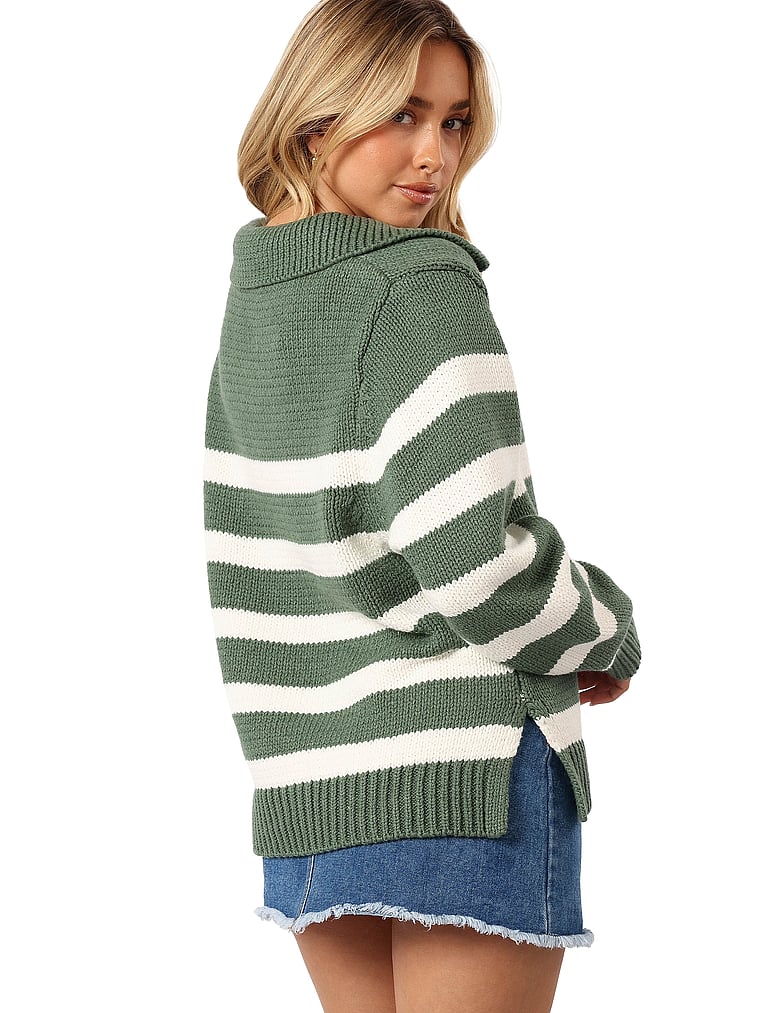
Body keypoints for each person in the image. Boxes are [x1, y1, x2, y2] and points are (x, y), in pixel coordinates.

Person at [203, 1, 641, 1010]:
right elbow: (481, 566)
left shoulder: (258, 296)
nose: (434, 154)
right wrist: (607, 630)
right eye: (401, 113)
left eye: (453, 121)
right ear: (316, 114)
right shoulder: (419, 286)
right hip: (464, 770)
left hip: (311, 780)